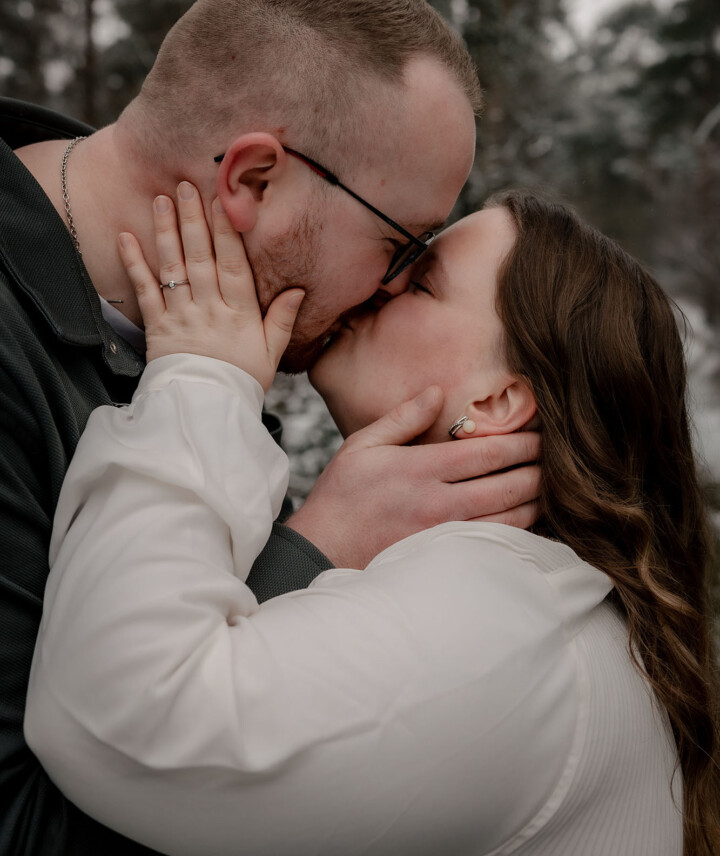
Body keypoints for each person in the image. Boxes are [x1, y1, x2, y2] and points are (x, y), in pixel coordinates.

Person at [0, 0, 540, 855]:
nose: (390, 291)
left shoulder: (214, 337)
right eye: (402, 245)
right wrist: (315, 552)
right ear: (254, 180)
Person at [26, 186, 720, 855]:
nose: (381, 283)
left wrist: (202, 378)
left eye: (423, 283)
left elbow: (127, 710)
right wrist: (327, 538)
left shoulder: (504, 624)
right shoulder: (527, 602)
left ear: (498, 402)